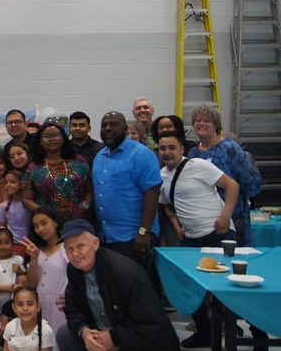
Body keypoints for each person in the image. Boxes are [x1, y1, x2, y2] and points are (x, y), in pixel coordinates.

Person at [157, 131, 239, 348]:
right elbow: (167, 205)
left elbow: (232, 185)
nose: (167, 152)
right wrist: (177, 227)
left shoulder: (199, 166)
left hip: (219, 234)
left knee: (227, 286)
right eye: (162, 148)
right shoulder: (162, 176)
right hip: (192, 239)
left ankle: (247, 330)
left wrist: (226, 216)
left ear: (182, 149)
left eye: (172, 147)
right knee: (185, 284)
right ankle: (204, 331)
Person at [56, 219, 179, 351]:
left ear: (95, 244)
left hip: (140, 341)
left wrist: (114, 338)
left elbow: (154, 324)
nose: (75, 254)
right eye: (69, 248)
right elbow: (72, 308)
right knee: (65, 335)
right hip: (105, 332)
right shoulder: (74, 270)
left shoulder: (124, 273)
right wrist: (84, 331)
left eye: (80, 246)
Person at [91, 112, 161, 273]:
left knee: (135, 284)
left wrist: (143, 232)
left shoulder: (141, 154)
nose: (108, 129)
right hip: (107, 237)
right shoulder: (100, 157)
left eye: (113, 125)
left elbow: (152, 193)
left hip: (134, 237)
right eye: (104, 125)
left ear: (125, 129)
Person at [188, 104, 262, 247]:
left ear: (216, 125)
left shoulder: (229, 148)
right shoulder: (193, 153)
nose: (201, 124)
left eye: (206, 121)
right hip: (205, 220)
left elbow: (252, 182)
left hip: (233, 217)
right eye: (198, 120)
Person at [22, 122, 92, 223]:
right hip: (49, 226)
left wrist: (84, 206)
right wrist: (46, 214)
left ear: (63, 138)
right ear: (40, 141)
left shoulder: (78, 161)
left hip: (78, 222)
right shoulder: (34, 168)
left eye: (55, 135)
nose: (51, 139)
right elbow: (26, 199)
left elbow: (90, 190)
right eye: (46, 136)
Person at [19, 206, 68, 337]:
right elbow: (32, 285)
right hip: (41, 303)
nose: (40, 229)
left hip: (62, 304)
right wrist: (34, 260)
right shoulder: (36, 251)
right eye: (36, 226)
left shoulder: (66, 249)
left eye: (44, 223)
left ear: (55, 222)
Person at [2, 286, 55, 351]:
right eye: (20, 304)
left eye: (30, 304)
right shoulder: (10, 327)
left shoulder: (45, 330)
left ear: (38, 306)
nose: (25, 308)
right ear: (14, 307)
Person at [0, 171, 30, 254]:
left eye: (12, 182)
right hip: (12, 248)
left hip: (29, 245)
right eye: (6, 183)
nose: (8, 185)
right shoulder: (4, 206)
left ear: (21, 183)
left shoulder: (29, 204)